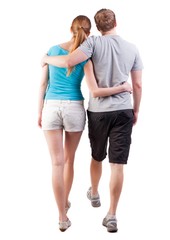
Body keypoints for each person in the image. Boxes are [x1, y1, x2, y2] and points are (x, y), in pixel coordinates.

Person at [38, 14, 132, 232]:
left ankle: (62, 214)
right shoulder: (86, 56)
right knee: (69, 161)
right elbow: (95, 88)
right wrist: (123, 89)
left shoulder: (51, 50)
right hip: (74, 108)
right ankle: (79, 202)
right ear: (90, 33)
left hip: (51, 107)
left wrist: (39, 111)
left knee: (56, 163)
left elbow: (42, 84)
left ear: (70, 28)